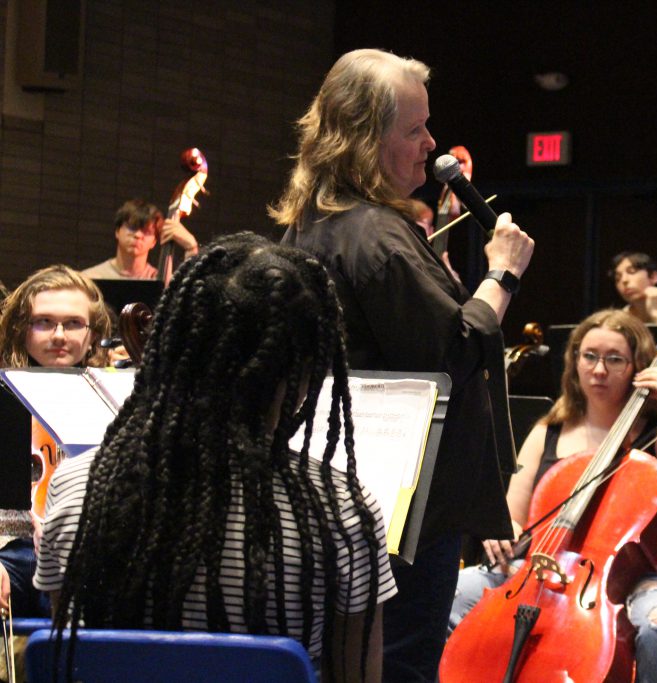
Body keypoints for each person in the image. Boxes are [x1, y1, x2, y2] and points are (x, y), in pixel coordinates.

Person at [270, 48, 534, 681]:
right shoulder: (378, 236)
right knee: (402, 665)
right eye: (414, 129)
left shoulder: (311, 227)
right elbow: (454, 352)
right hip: (402, 509)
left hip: (337, 490)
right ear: (365, 139)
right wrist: (502, 274)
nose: (431, 144)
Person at [33, 234, 396, 681]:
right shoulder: (339, 510)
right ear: (304, 374)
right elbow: (357, 675)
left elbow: (70, 663)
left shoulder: (76, 487)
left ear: (168, 344)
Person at [448, 309, 657, 683]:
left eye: (614, 359)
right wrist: (504, 531)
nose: (599, 370)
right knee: (453, 593)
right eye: (589, 356)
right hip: (539, 567)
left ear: (638, 366)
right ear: (574, 362)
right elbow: (512, 515)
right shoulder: (548, 430)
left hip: (636, 575)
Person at [0, 265, 112, 680]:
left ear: (92, 331)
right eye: (44, 322)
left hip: (90, 552)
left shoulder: (116, 397)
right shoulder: (3, 394)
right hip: (12, 548)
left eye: (73, 323)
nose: (59, 335)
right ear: (21, 329)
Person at [82, 198, 199, 280]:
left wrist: (191, 247)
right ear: (117, 231)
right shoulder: (90, 278)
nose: (138, 235)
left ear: (154, 241)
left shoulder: (160, 283)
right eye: (132, 228)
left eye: (147, 232)